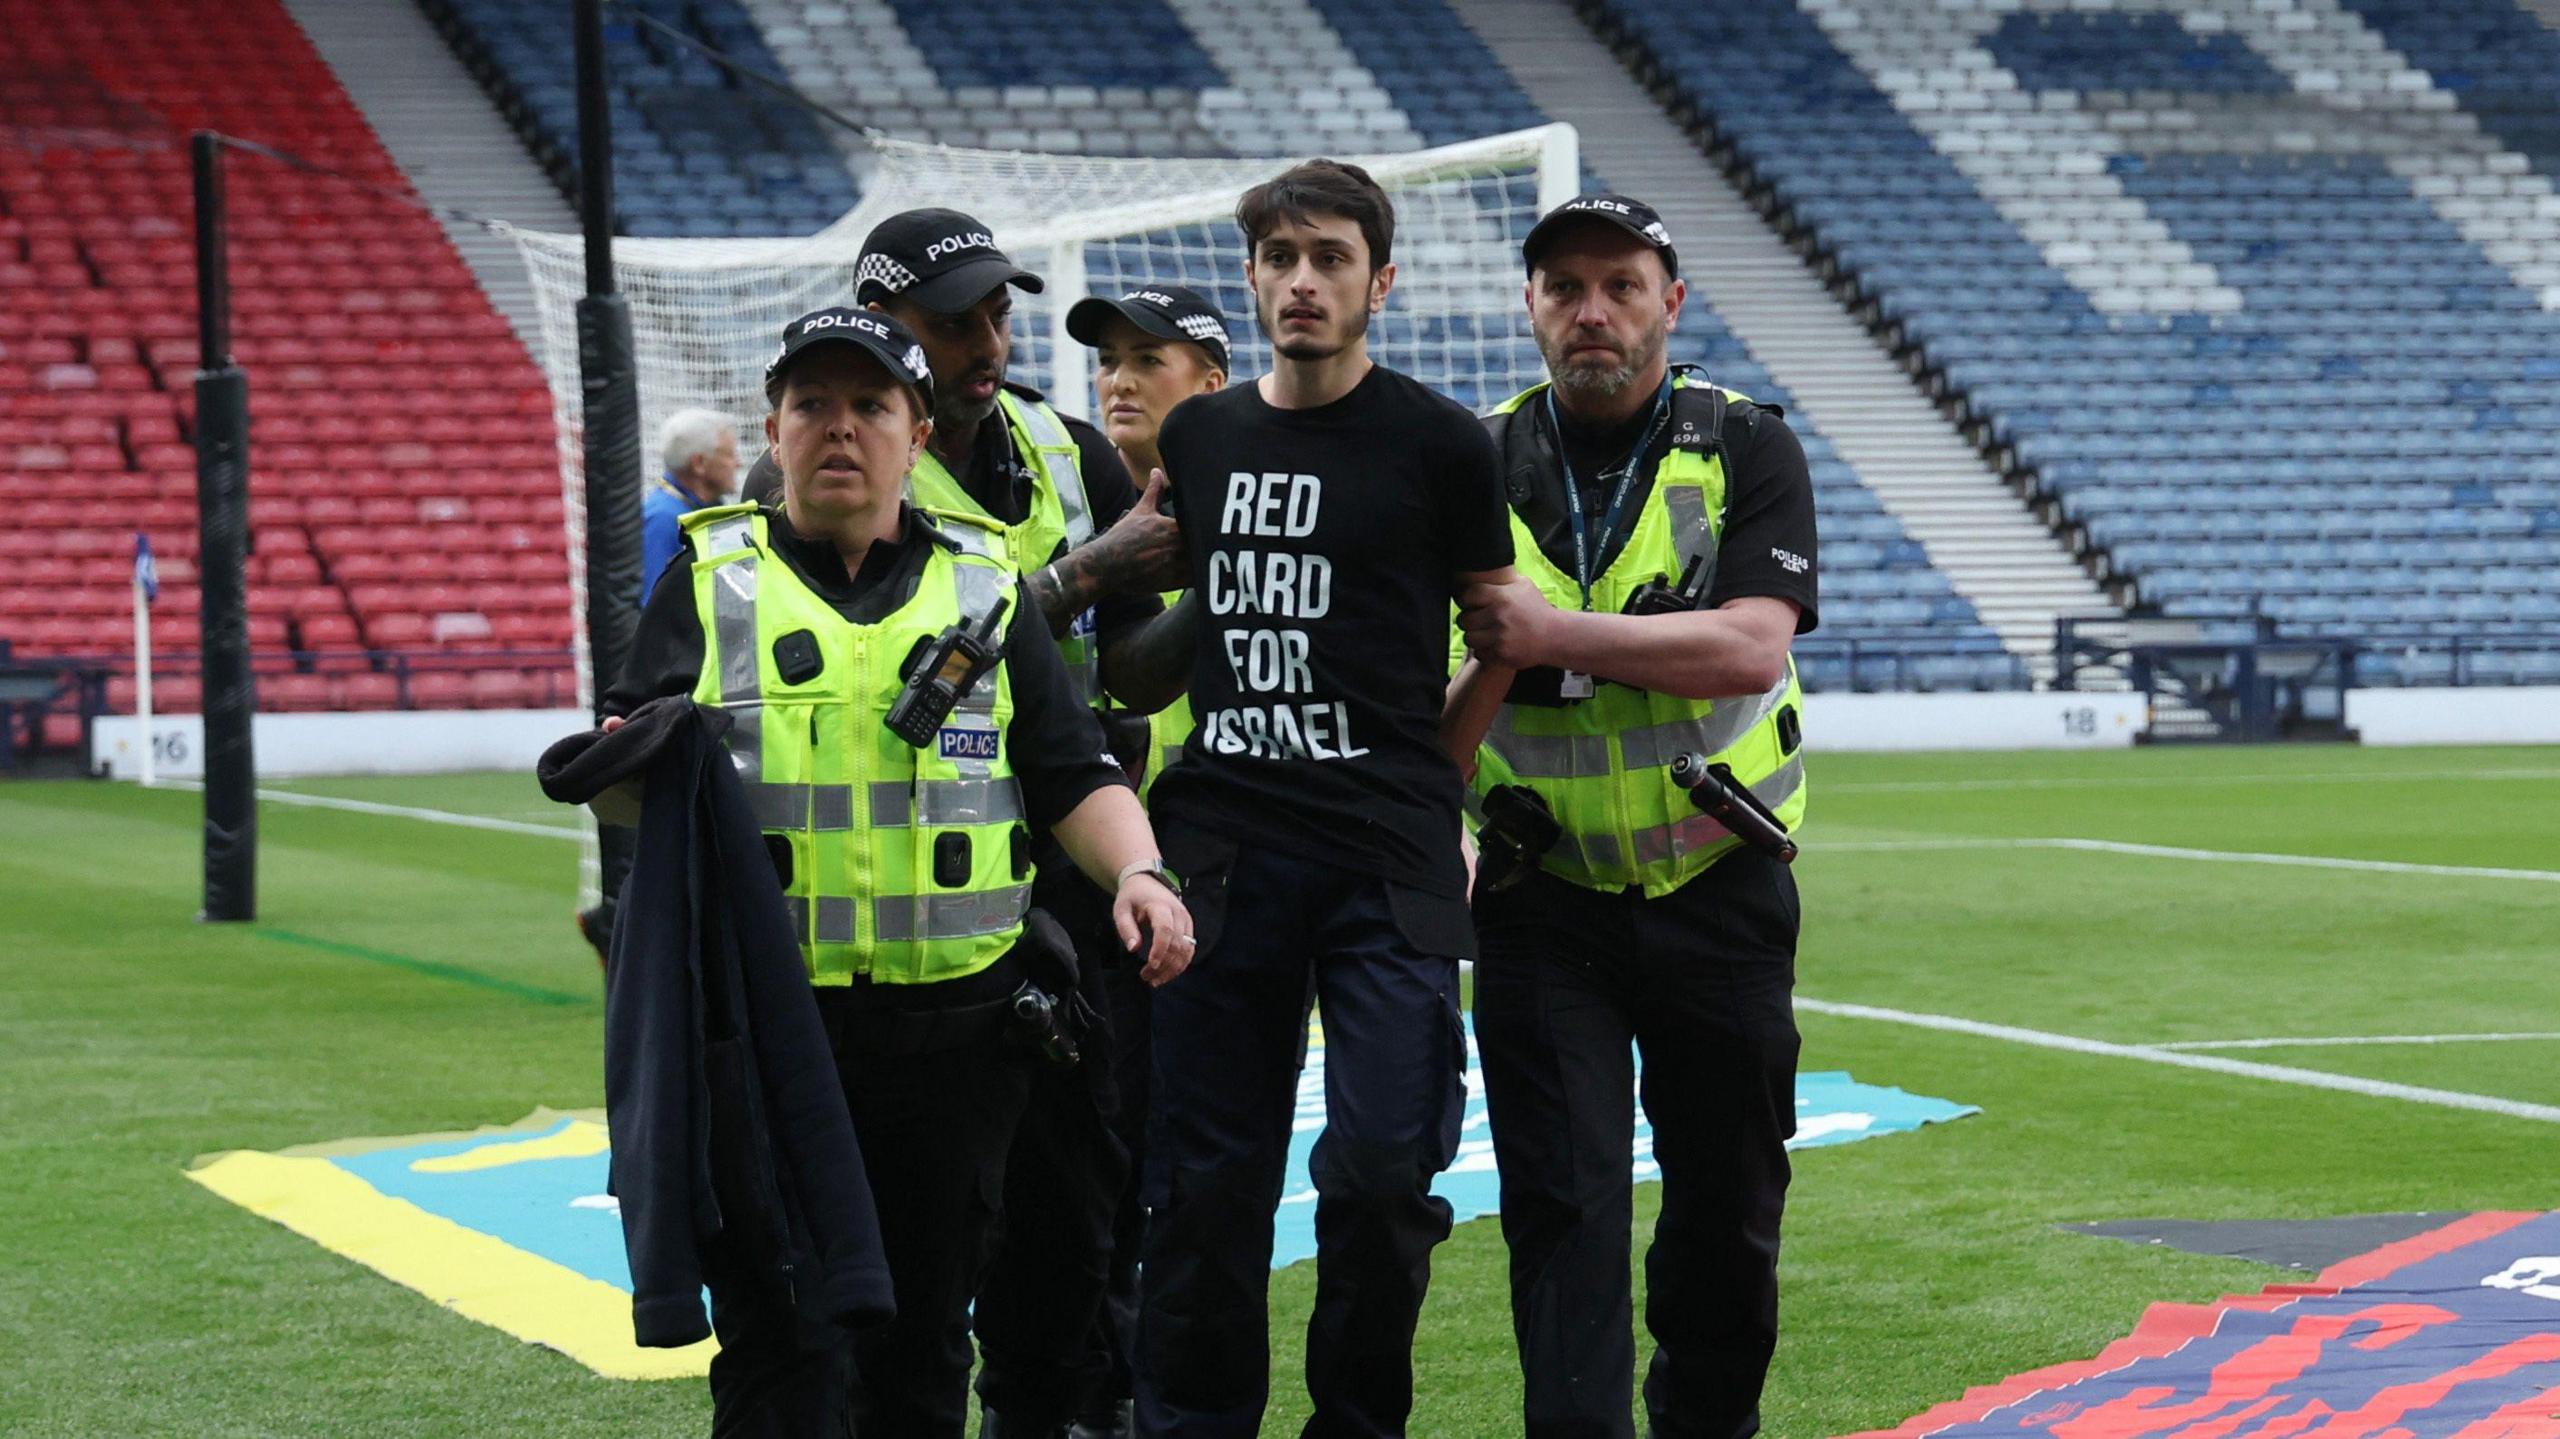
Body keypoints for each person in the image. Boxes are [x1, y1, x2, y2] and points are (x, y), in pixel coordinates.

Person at [600, 305, 1197, 1438]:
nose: (840, 429)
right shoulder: (708, 580)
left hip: (959, 1048)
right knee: (783, 1353)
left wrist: (1141, 872)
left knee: (922, 1345)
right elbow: (637, 777)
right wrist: (616, 753)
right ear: (771, 431)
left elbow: (1070, 771)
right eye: (811, 405)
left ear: (916, 433)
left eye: (870, 405)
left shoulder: (988, 591)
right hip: (775, 1049)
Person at [1110, 159, 1529, 1439]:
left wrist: (1433, 783)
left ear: (1378, 280)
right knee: (1203, 1179)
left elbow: (1499, 633)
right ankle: (1194, 1422)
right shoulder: (1203, 435)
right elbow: (1166, 623)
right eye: (1281, 257)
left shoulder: (1445, 443)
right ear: (1250, 278)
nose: (1303, 279)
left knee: (1384, 1166)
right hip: (1225, 843)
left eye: (1330, 257)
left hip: (1385, 858)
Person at [1453, 193, 1819, 1439]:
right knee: (1563, 1210)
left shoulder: (1747, 446)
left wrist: (1547, 636)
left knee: (1724, 1210)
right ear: (1530, 308)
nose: (1590, 311)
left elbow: (1747, 649)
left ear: (1673, 300)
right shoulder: (1468, 458)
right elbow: (1414, 696)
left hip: (1718, 885)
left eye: (1619, 284)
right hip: (1537, 899)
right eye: (1563, 288)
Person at [848, 208, 1190, 1439]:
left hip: (1078, 884)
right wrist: (1083, 574)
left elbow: (1136, 673)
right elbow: (893, 660)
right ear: (881, 330)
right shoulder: (851, 463)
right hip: (921, 911)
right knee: (924, 1252)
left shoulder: (1066, 444)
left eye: (996, 311)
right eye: (952, 322)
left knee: (1076, 1217)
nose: (987, 339)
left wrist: (1214, 583)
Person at [1057, 282, 1233, 1439]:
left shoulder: (1242, 496)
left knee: (1158, 1142)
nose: (1118, 377)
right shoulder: (1059, 488)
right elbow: (1129, 679)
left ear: (1210, 382)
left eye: (1147, 358)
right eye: (1108, 358)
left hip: (1205, 860)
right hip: (1081, 851)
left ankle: (1121, 1383)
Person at [642, 407, 742, 600]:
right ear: (699, 463)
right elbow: (654, 605)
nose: (737, 463)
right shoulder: (663, 520)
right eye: (729, 455)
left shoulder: (702, 508)